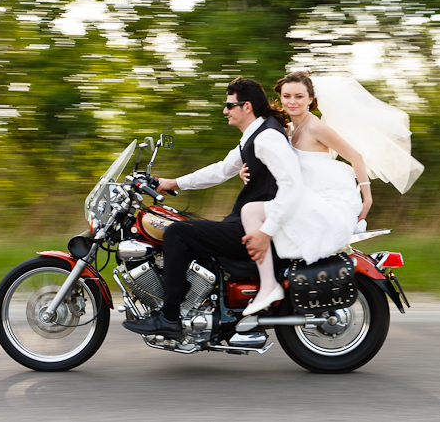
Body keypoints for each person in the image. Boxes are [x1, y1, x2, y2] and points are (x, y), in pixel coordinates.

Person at [122, 77, 304, 338]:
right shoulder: (256, 135)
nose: (225, 111)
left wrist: (266, 232)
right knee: (186, 229)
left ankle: (170, 316)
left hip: (258, 228)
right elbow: (221, 170)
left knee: (177, 233)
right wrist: (171, 183)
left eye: (230, 105)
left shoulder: (267, 138)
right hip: (248, 222)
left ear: (247, 107)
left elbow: (292, 183)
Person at [240, 71, 373, 316]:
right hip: (305, 194)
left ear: (310, 99)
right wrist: (246, 172)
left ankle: (268, 286)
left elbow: (355, 156)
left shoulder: (315, 126)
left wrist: (367, 197)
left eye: (299, 96)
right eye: (287, 96)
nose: (292, 101)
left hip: (325, 199)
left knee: (251, 212)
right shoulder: (290, 128)